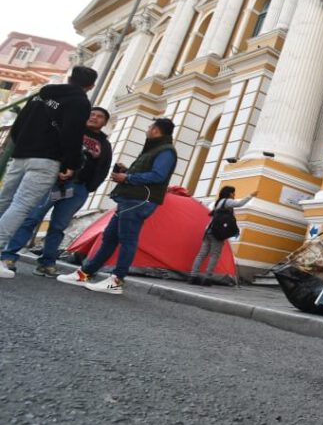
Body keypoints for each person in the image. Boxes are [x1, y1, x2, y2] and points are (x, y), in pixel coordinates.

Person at [56, 118, 177, 294]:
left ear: (156, 131)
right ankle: (85, 273)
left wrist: (127, 178)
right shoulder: (156, 149)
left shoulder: (166, 151)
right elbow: (149, 174)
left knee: (128, 239)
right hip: (130, 199)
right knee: (110, 236)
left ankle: (116, 282)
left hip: (140, 200)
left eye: (150, 127)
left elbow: (158, 176)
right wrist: (127, 172)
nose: (147, 130)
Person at [0, 66, 96, 279]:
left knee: (4, 200)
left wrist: (21, 146)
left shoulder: (41, 94)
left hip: (21, 156)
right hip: (46, 160)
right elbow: (72, 133)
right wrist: (70, 164)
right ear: (90, 86)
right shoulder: (80, 102)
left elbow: (18, 126)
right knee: (21, 205)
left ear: (70, 78)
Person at [189, 185, 256, 286]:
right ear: (230, 193)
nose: (234, 195)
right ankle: (207, 278)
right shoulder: (227, 201)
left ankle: (192, 276)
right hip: (217, 233)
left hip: (208, 231)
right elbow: (240, 203)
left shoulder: (218, 202)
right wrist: (251, 196)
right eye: (233, 193)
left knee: (201, 255)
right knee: (214, 255)